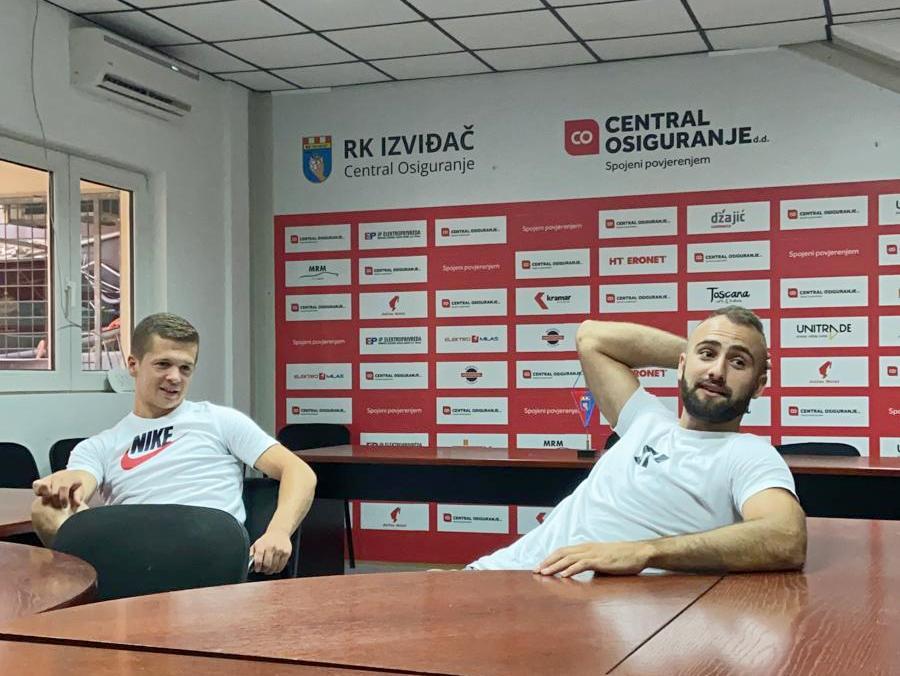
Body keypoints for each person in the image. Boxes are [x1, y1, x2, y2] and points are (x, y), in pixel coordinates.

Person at [467, 305, 806, 577]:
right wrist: (694, 355)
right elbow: (591, 337)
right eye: (707, 354)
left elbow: (786, 536)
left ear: (759, 385)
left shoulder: (748, 454)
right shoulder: (645, 418)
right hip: (493, 574)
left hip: (561, 601)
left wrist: (645, 551)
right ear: (681, 365)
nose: (717, 371)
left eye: (738, 362)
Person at [31, 313, 317, 575]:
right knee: (46, 509)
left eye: (185, 368)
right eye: (163, 364)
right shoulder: (99, 446)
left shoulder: (219, 420)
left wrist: (278, 532)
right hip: (135, 559)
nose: (175, 378)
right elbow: (79, 482)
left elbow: (299, 471)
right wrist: (66, 482)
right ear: (133, 364)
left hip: (209, 552)